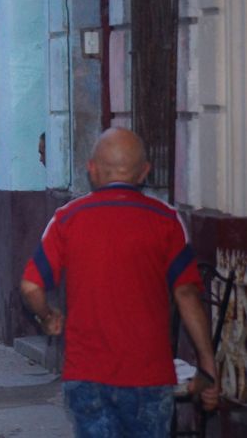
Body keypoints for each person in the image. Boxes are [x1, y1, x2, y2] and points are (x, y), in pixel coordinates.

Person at [20, 128, 219, 436]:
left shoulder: (66, 218)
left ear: (92, 169)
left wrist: (48, 316)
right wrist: (208, 366)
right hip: (150, 376)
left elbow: (31, 286)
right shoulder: (166, 220)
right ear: (145, 172)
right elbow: (187, 294)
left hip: (87, 374)